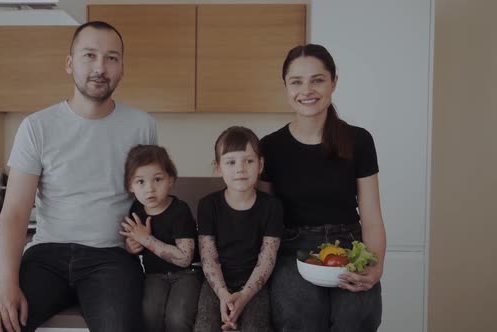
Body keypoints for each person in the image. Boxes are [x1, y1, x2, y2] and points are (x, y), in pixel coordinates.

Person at [0, 21, 157, 332]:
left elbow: (147, 196)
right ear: (70, 64)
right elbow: (15, 213)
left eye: (111, 58)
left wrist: (146, 238)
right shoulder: (37, 126)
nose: (100, 67)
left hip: (110, 258)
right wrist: (7, 285)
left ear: (122, 67)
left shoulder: (142, 126)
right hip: (46, 257)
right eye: (89, 55)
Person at [260, 44, 386, 332]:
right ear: (286, 87)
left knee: (356, 318)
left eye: (317, 80)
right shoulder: (269, 146)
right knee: (301, 320)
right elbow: (264, 220)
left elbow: (372, 217)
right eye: (296, 82)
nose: (307, 90)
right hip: (292, 252)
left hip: (349, 248)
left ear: (334, 82)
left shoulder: (359, 141)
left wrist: (375, 267)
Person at [194, 126, 283, 332]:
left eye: (249, 161)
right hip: (217, 282)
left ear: (260, 165)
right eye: (231, 162)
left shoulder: (272, 206)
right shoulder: (208, 205)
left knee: (255, 326)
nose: (240, 169)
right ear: (218, 167)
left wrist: (244, 296)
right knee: (205, 326)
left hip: (255, 283)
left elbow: (267, 258)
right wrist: (224, 294)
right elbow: (208, 257)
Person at [120, 144, 202, 332]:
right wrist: (132, 246)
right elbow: (134, 243)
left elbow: (184, 258)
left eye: (157, 179)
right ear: (130, 186)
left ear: (171, 180)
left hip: (186, 275)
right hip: (153, 275)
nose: (150, 189)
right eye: (140, 182)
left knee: (178, 318)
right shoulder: (136, 210)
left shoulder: (180, 210)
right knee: (149, 314)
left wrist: (146, 240)